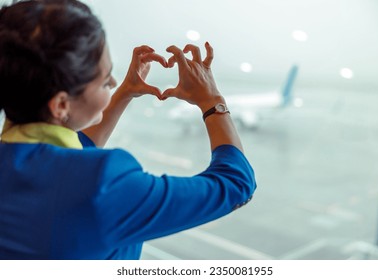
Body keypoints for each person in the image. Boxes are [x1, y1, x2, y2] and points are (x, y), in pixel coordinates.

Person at [0, 0, 257, 260]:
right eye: (104, 80)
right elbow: (236, 184)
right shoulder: (104, 184)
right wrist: (211, 100)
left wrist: (125, 92)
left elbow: (61, 159)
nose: (113, 82)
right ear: (61, 104)